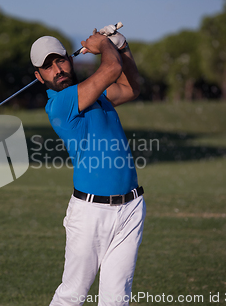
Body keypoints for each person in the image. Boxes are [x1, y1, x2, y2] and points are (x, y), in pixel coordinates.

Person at [30, 26, 146, 306]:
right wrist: (106, 45)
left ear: (70, 59)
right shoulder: (60, 104)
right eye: (47, 67)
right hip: (90, 213)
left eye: (60, 59)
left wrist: (122, 46)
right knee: (72, 295)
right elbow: (110, 68)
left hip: (130, 208)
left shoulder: (99, 96)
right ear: (39, 77)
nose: (57, 69)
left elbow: (132, 88)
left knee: (116, 299)